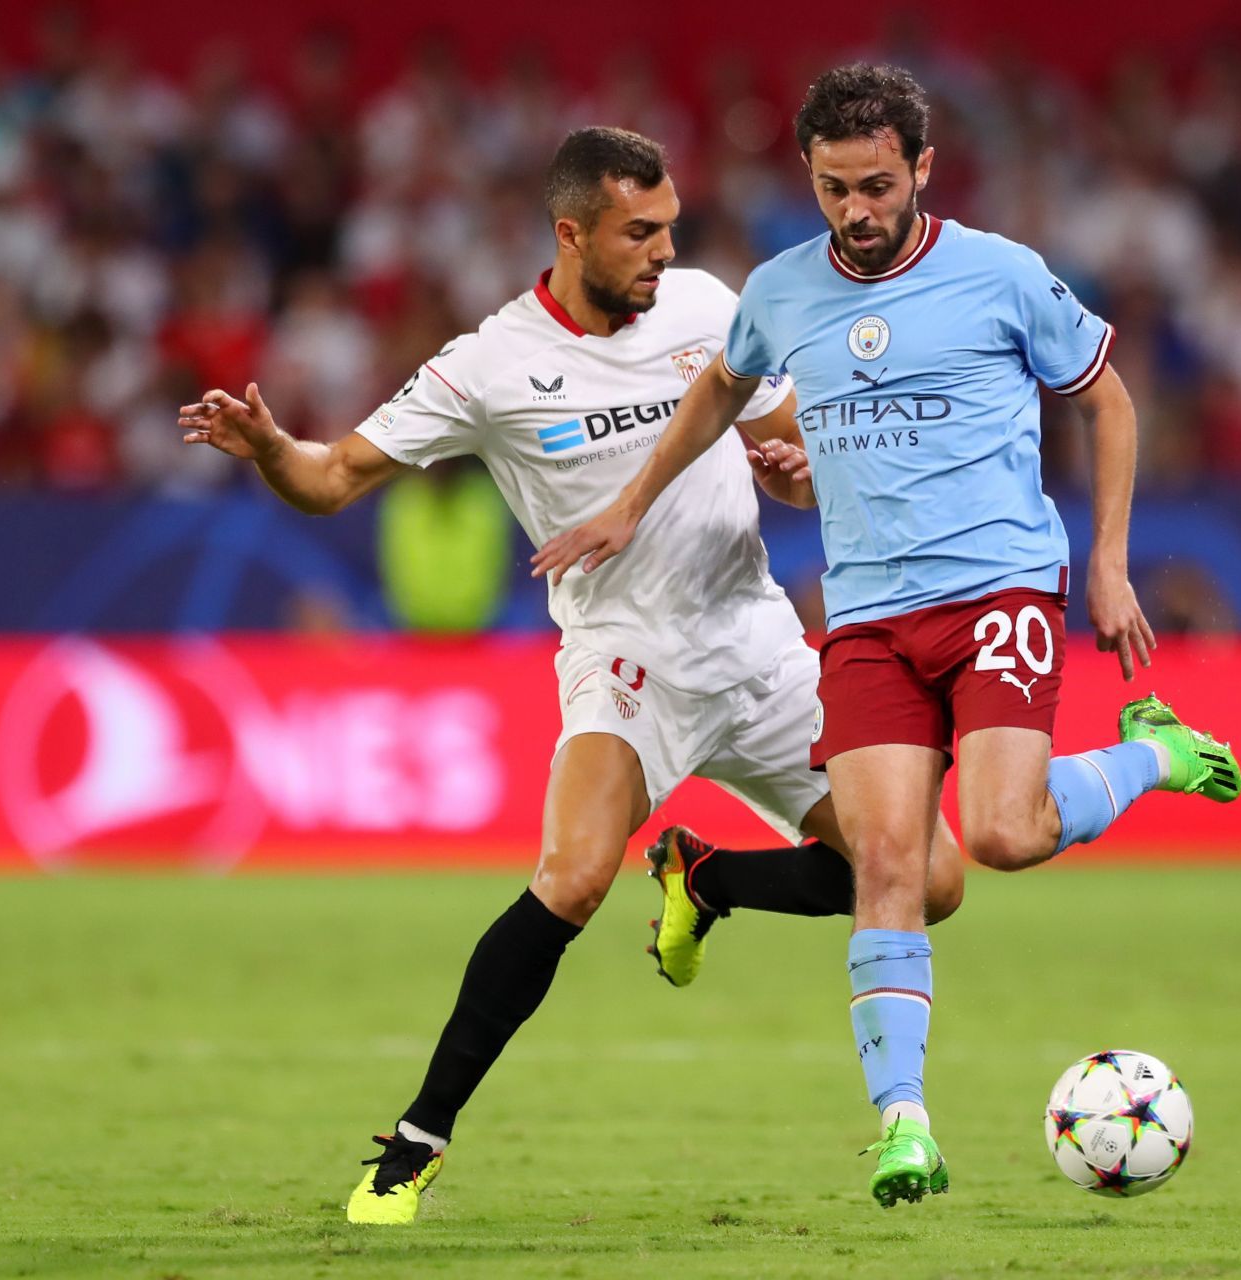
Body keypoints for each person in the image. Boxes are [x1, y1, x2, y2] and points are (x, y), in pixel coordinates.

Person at [178, 126, 964, 1226]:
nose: (662, 250)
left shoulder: (704, 309)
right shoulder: (491, 364)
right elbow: (333, 475)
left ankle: (710, 878)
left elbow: (794, 462)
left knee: (929, 877)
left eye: (670, 227)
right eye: (639, 232)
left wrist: (794, 473)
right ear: (571, 233)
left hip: (757, 642)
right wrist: (269, 447)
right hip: (627, 656)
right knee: (576, 872)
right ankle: (416, 1138)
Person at [533, 68, 1241, 1209]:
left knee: (1005, 834)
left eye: (874, 185)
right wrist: (631, 503)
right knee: (887, 864)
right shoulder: (781, 290)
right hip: (865, 616)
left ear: (921, 169)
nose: (855, 211)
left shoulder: (1002, 275)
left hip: (1001, 591)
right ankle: (904, 1125)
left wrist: (1107, 563)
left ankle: (1151, 751)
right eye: (832, 189)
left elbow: (1106, 398)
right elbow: (720, 390)